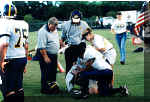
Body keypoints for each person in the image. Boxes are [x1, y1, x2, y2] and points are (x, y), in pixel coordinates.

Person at [0, 3, 28, 102]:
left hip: (10, 59)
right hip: (22, 58)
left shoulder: (5, 23)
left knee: (9, 90)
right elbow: (26, 45)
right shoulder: (24, 23)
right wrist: (25, 61)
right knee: (19, 87)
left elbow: (4, 44)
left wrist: (1, 61)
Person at [82, 28, 117, 94]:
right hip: (106, 53)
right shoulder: (93, 38)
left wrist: (93, 49)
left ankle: (110, 86)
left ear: (89, 34)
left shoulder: (96, 39)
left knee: (109, 69)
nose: (86, 39)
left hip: (109, 53)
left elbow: (103, 49)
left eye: (85, 37)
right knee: (104, 69)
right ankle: (105, 86)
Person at [60, 10, 90, 74]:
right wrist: (61, 45)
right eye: (74, 19)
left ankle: (80, 77)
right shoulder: (66, 24)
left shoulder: (84, 24)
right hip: (69, 45)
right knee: (69, 64)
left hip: (80, 45)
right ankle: (68, 79)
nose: (76, 21)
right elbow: (63, 37)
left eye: (77, 19)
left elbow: (89, 33)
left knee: (80, 64)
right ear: (71, 18)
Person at [37, 17, 60, 94]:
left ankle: (52, 87)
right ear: (49, 24)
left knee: (53, 72)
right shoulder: (42, 31)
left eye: (56, 27)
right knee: (45, 72)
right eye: (53, 27)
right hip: (46, 54)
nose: (54, 29)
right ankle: (44, 89)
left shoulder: (55, 28)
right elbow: (41, 46)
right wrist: (45, 57)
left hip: (53, 55)